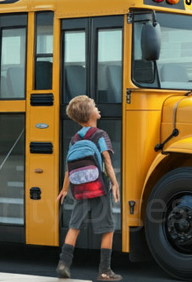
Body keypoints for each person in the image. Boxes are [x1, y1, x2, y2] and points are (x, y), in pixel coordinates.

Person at [55, 95, 122, 281]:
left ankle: (63, 264)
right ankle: (104, 271)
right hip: (100, 188)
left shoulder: (75, 139)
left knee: (74, 227)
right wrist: (115, 184)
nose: (97, 108)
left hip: (80, 190)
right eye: (94, 106)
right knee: (108, 228)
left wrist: (65, 189)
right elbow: (107, 162)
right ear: (90, 114)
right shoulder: (100, 135)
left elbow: (70, 167)